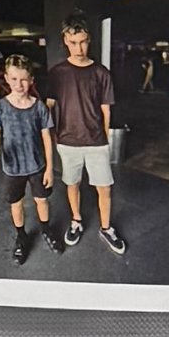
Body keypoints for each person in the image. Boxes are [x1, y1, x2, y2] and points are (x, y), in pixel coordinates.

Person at [49, 20, 127, 258]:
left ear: (89, 40)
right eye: (73, 43)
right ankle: (76, 221)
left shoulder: (101, 72)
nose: (79, 48)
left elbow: (106, 110)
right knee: (72, 184)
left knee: (105, 188)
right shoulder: (57, 73)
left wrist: (103, 139)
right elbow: (48, 106)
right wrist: (50, 136)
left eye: (83, 42)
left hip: (96, 141)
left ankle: (106, 228)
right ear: (66, 41)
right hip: (67, 140)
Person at [0, 54, 54, 262]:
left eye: (24, 79)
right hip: (12, 167)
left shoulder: (39, 107)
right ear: (6, 78)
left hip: (36, 164)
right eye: (14, 79)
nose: (19, 84)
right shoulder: (0, 107)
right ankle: (21, 236)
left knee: (42, 200)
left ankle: (46, 230)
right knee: (16, 203)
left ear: (31, 80)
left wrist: (50, 168)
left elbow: (47, 138)